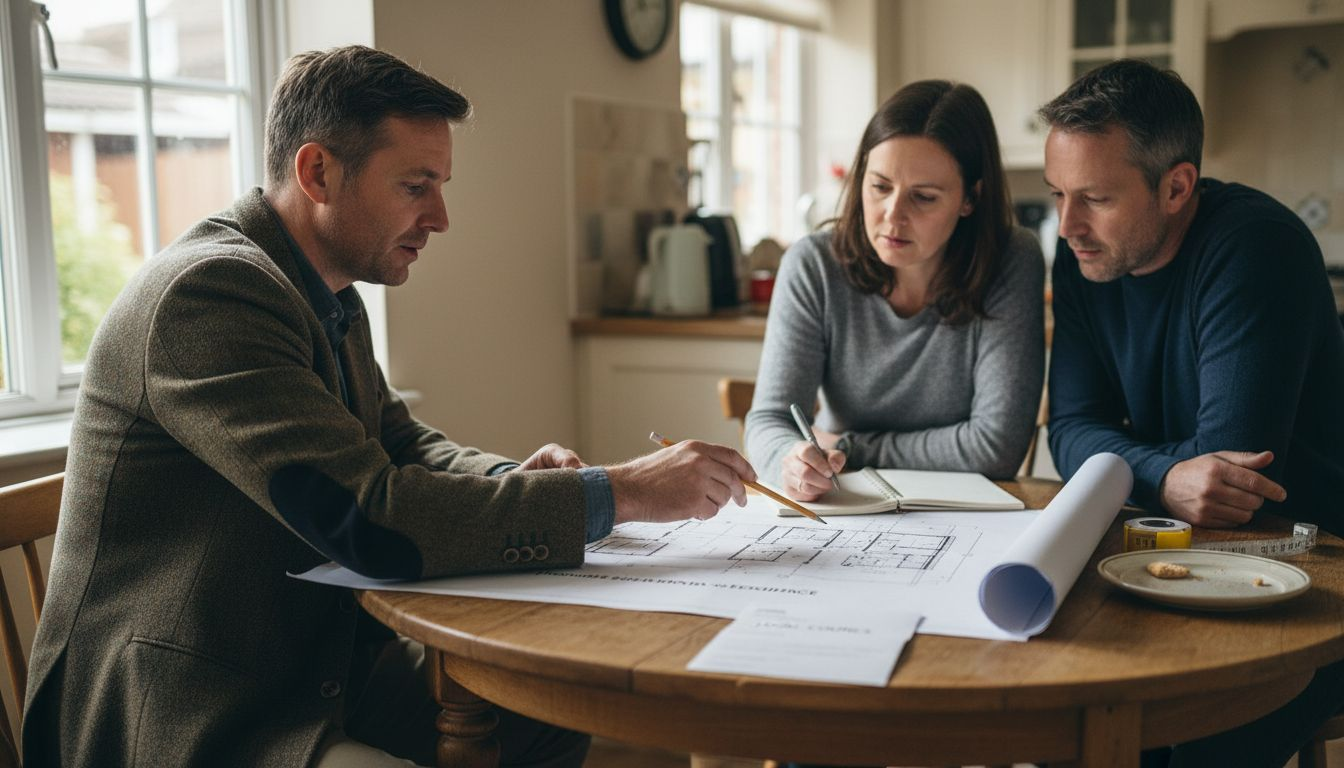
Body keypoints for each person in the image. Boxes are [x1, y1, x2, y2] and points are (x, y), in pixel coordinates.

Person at [21, 45, 756, 768]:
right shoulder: (212, 295)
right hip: (192, 705)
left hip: (313, 666)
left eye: (440, 185)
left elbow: (401, 444)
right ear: (317, 172)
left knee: (543, 718)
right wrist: (620, 492)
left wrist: (511, 478)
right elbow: (371, 520)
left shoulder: (323, 288)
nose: (440, 217)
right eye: (415, 186)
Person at [1042, 58, 1344, 767]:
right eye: (1058, 194)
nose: (1068, 225)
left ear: (1176, 187)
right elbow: (1069, 430)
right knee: (1060, 723)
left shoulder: (1256, 246)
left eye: (1095, 198)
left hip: (1313, 574)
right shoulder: (1086, 255)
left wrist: (1132, 467)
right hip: (1169, 558)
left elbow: (1232, 481)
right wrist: (1167, 474)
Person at [744, 80, 1045, 499]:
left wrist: (848, 446)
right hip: (846, 502)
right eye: (880, 186)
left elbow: (996, 449)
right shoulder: (813, 264)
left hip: (965, 509)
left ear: (970, 198)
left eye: (923, 197)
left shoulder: (1011, 259)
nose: (893, 215)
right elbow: (768, 421)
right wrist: (790, 460)